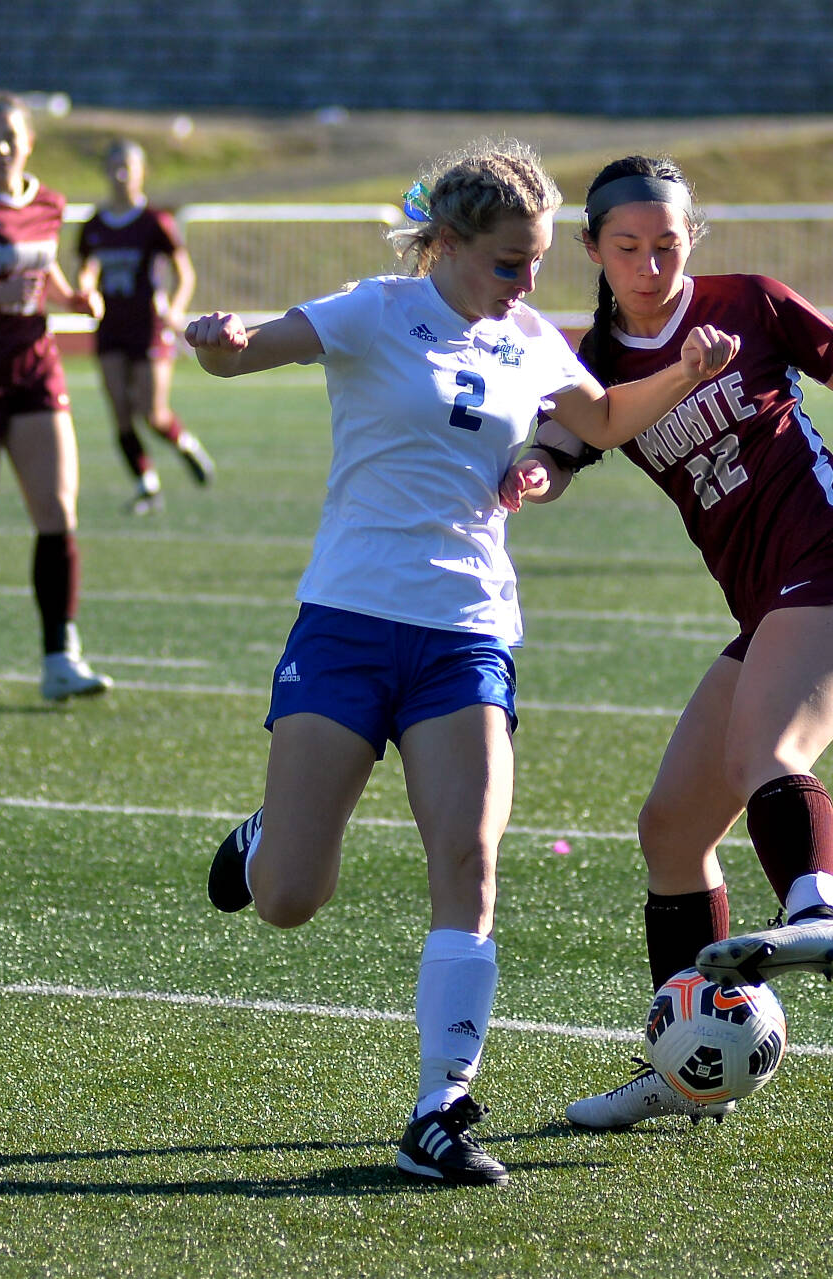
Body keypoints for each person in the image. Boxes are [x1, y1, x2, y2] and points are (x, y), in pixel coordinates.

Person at [187, 141, 737, 1186]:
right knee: (291, 897)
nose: (527, 284)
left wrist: (683, 372)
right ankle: (266, 838)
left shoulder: (531, 340)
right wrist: (220, 339)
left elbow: (604, 420)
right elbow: (249, 349)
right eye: (505, 263)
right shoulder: (374, 310)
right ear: (444, 244)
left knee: (470, 863)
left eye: (536, 263)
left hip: (466, 634)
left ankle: (440, 1104)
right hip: (346, 624)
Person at [501, 155, 833, 1129]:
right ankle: (683, 1065)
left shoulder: (750, 305)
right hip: (766, 599)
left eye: (667, 244)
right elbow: (563, 443)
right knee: (670, 830)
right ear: (590, 249)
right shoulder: (596, 361)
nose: (648, 263)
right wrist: (535, 473)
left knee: (767, 752)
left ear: (691, 240)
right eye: (625, 246)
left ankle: (815, 906)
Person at [0, 89, 112, 701]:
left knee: (57, 511)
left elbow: (47, 272)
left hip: (36, 370)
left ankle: (59, 657)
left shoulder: (48, 203)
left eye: (11, 136)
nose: (2, 147)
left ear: (29, 140)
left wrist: (74, 299)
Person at [77, 139, 214, 515]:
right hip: (111, 328)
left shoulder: (155, 222)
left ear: (142, 172)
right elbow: (87, 268)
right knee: (120, 409)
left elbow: (184, 272)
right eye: (114, 166)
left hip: (149, 327)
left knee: (152, 413)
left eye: (128, 167)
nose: (120, 175)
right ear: (105, 171)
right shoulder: (94, 225)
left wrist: (176, 309)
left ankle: (185, 444)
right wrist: (86, 289)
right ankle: (146, 485)